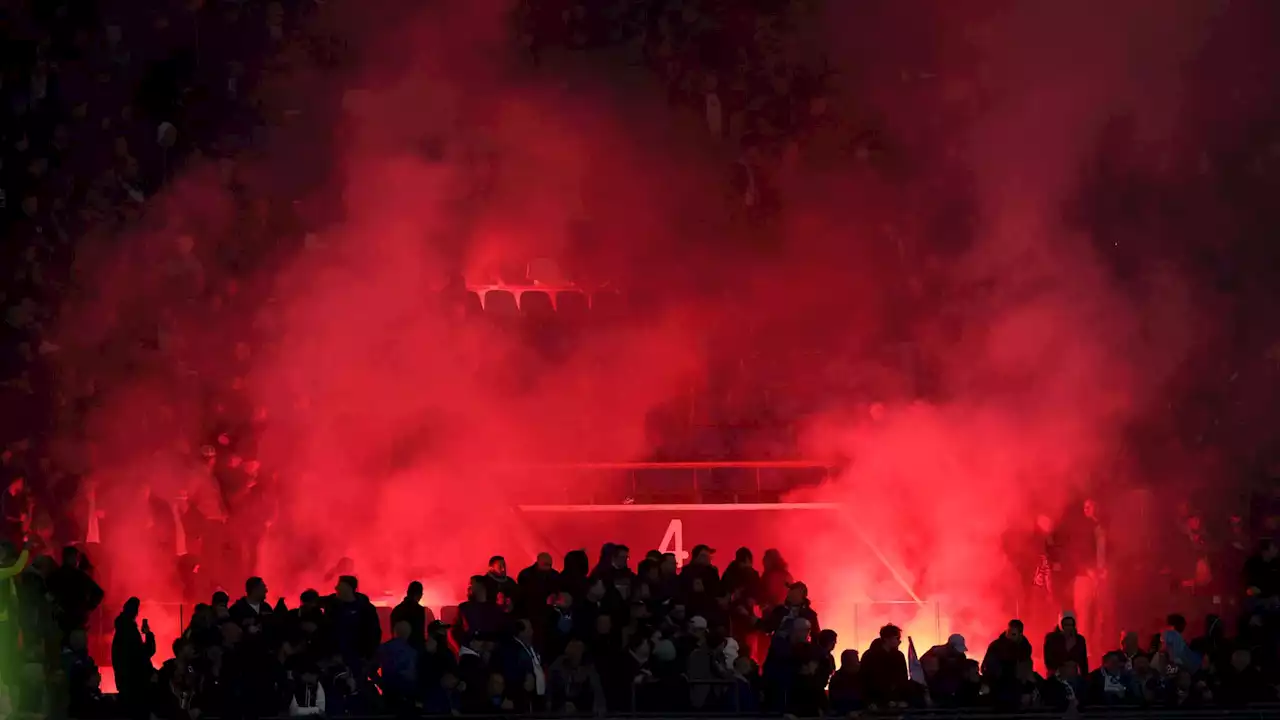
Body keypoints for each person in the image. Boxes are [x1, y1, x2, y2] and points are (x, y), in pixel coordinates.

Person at [110, 597, 156, 719]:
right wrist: (149, 635)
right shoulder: (130, 631)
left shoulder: (121, 632)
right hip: (135, 687)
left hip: (126, 685)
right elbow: (144, 654)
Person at [860, 623, 907, 708]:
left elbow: (903, 679)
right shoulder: (870, 656)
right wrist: (869, 702)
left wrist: (901, 699)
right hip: (875, 702)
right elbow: (864, 680)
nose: (899, 641)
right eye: (897, 638)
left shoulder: (899, 656)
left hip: (896, 702)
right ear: (886, 639)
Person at [981, 619, 1033, 693]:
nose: (1009, 636)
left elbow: (1026, 669)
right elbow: (985, 666)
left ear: (1020, 634)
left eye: (1013, 634)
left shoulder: (1025, 649)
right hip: (998, 686)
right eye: (1008, 632)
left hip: (1018, 686)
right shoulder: (996, 646)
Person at [1044, 610, 1089, 675]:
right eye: (1066, 625)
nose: (1068, 627)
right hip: (1056, 676)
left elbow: (1083, 663)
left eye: (1071, 625)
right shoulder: (1051, 639)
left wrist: (1085, 678)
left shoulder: (1079, 640)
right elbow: (1049, 662)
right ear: (1060, 624)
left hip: (1074, 676)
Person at [390, 580, 430, 650]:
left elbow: (393, 633)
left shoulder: (396, 610)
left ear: (407, 592)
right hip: (418, 651)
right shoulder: (422, 611)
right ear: (420, 595)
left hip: (398, 650)